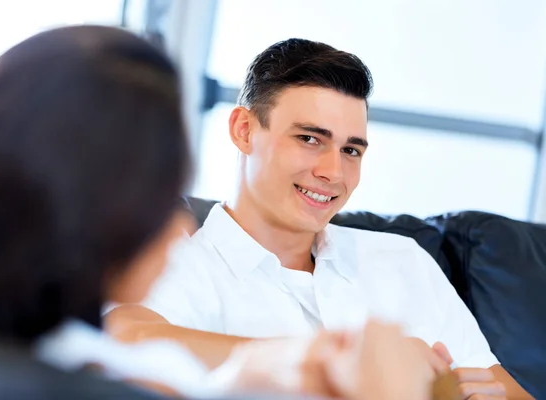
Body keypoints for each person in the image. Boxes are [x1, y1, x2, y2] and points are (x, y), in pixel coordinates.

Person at [0, 26, 439, 400]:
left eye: (352, 150)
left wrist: (251, 372)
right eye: (161, 199)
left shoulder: (38, 344)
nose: (181, 224)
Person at [106, 38, 533, 400]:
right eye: (310, 139)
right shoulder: (174, 266)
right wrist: (341, 362)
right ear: (243, 130)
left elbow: (504, 390)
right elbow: (125, 339)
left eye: (351, 150)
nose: (333, 173)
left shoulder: (403, 258)